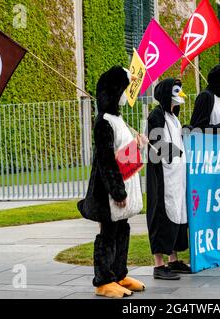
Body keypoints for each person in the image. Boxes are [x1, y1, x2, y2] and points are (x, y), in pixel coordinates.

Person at [77, 66, 147, 298]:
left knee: (122, 230)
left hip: (124, 187)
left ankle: (119, 274)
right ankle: (104, 280)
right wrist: (117, 191)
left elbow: (122, 154)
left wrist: (137, 146)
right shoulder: (104, 122)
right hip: (108, 194)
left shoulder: (117, 120)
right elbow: (106, 160)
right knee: (108, 233)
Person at [146, 78, 191, 280]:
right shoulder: (156, 115)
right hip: (163, 176)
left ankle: (173, 260)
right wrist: (174, 152)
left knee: (177, 214)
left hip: (176, 177)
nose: (180, 94)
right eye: (176, 90)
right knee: (162, 215)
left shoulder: (173, 116)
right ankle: (159, 264)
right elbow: (155, 144)